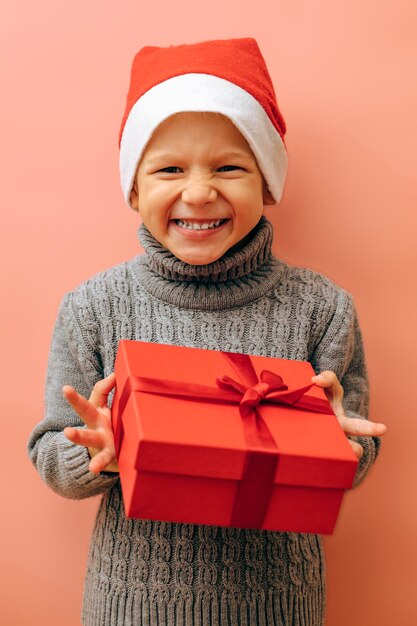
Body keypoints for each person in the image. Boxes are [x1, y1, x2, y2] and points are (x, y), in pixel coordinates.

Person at [27, 37, 387, 626]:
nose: (198, 192)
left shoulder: (324, 308)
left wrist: (342, 452)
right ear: (135, 187)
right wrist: (96, 455)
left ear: (267, 182)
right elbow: (49, 451)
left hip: (278, 607)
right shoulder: (92, 307)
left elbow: (358, 449)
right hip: (132, 607)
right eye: (169, 168)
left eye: (229, 167)